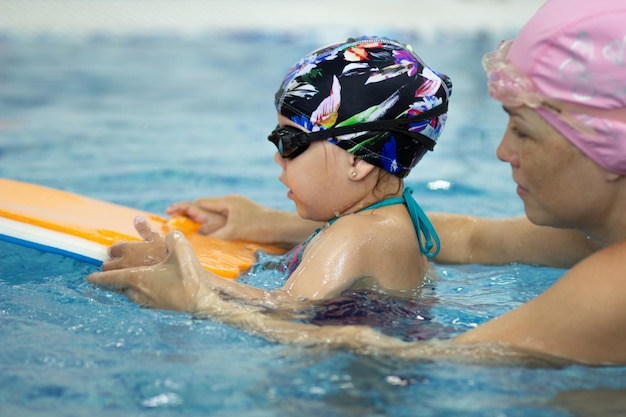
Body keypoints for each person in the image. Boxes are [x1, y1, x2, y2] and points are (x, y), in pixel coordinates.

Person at [89, 0, 626, 366]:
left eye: (524, 131)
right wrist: (273, 220)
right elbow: (469, 237)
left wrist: (200, 296)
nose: (502, 150)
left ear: (606, 144)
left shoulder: (612, 287)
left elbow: (425, 357)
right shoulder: (403, 220)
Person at [88, 36, 453, 310]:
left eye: (289, 140)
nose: (279, 157)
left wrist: (175, 275)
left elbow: (284, 311)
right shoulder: (398, 218)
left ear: (359, 159)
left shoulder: (349, 237)